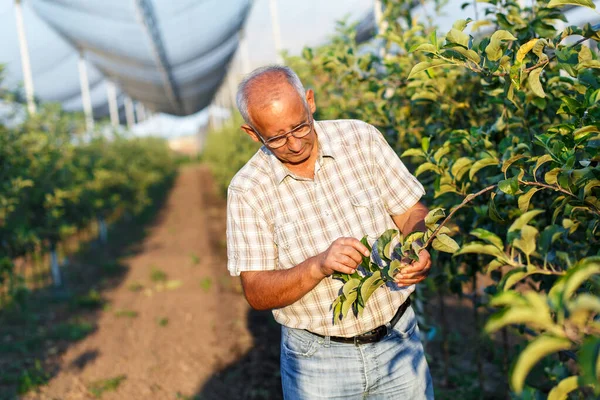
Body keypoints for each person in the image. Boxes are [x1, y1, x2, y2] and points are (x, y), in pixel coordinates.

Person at [226, 65, 434, 399]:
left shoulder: (361, 139)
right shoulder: (248, 190)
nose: (294, 144)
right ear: (252, 134)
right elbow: (256, 291)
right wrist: (317, 266)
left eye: (300, 127)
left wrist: (418, 245)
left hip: (398, 341)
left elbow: (410, 210)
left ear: (310, 101)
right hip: (318, 361)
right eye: (277, 138)